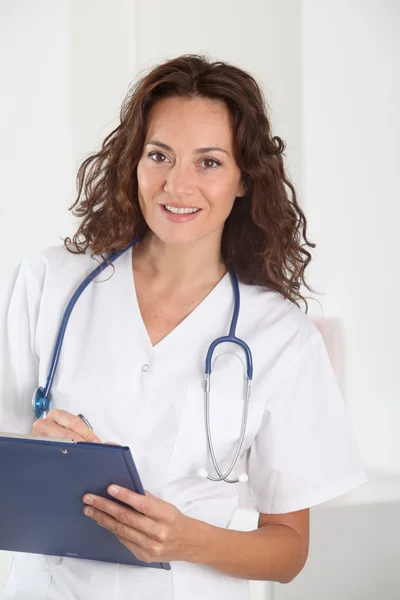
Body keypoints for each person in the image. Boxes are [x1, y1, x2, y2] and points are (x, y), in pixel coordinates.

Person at [0, 54, 367, 600]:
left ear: (245, 179)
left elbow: (289, 550)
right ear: (134, 163)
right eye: (159, 156)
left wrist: (188, 541)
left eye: (210, 162)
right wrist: (36, 452)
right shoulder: (48, 283)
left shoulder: (281, 336)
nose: (177, 184)